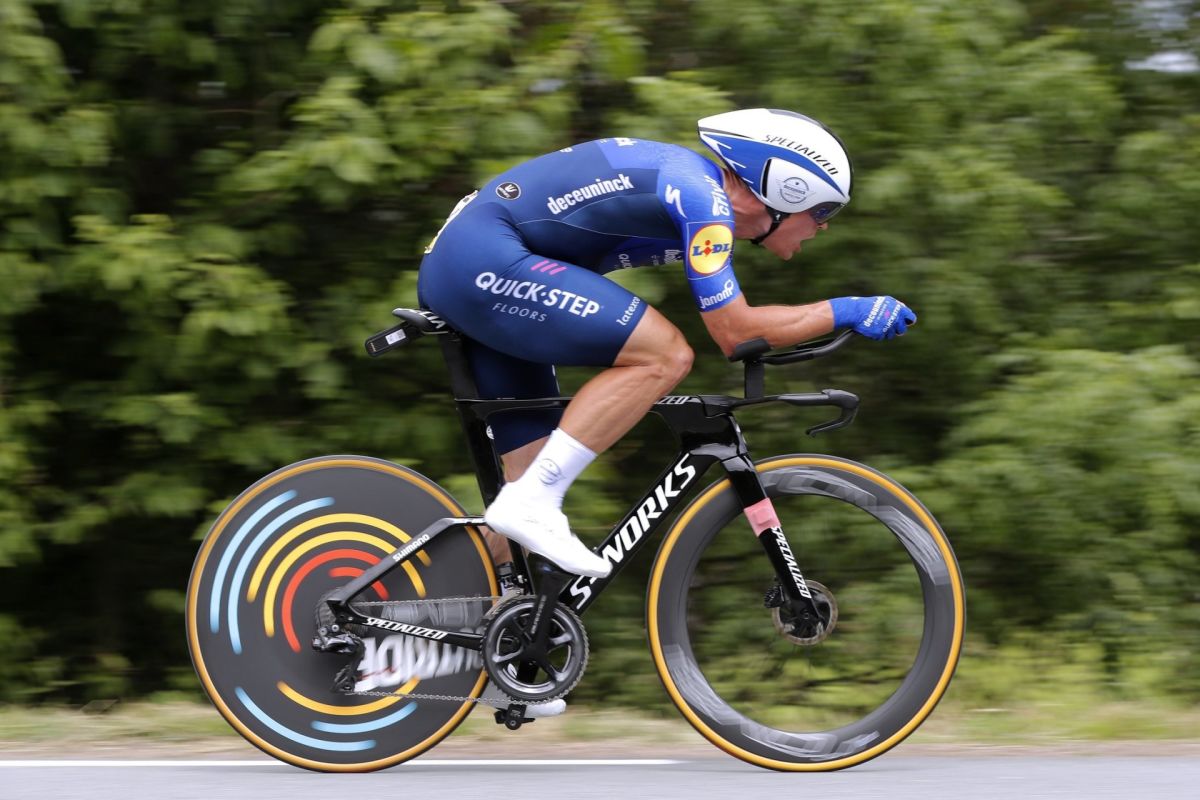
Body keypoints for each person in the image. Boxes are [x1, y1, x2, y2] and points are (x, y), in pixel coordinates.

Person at [418, 106, 914, 598]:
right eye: (823, 212)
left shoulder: (697, 192)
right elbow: (734, 331)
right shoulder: (703, 199)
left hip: (481, 263)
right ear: (788, 190)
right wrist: (848, 309)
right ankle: (534, 502)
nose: (823, 227)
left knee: (526, 483)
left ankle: (478, 612)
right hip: (484, 260)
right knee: (664, 355)